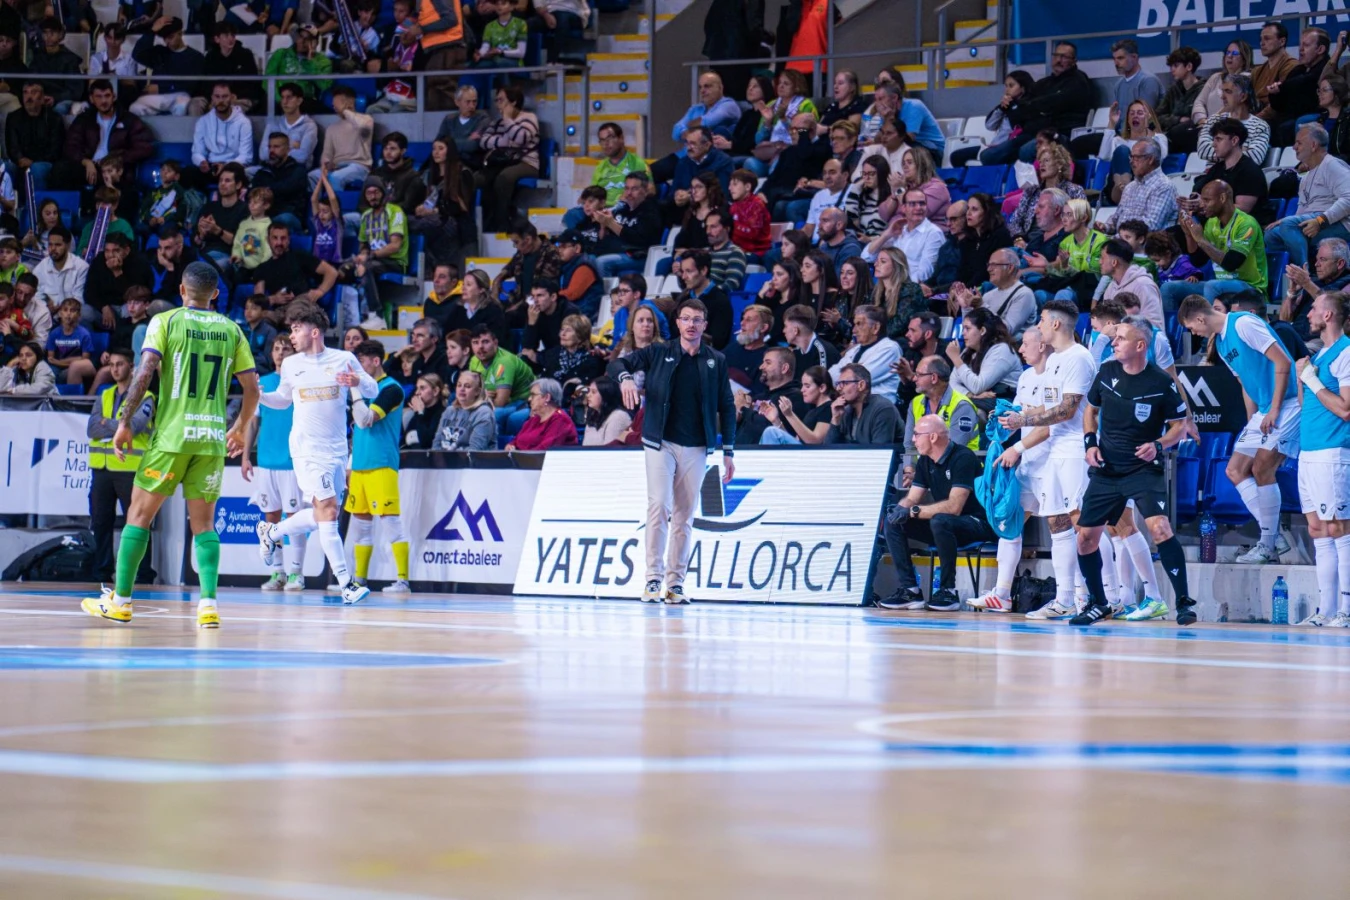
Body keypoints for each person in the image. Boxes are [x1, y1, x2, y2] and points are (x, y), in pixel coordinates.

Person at [81, 262, 260, 629]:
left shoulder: (165, 322)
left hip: (172, 437)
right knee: (205, 526)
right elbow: (252, 389)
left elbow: (144, 372)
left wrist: (125, 422)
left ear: (181, 290)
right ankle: (208, 605)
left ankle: (121, 601)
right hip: (210, 440)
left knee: (138, 516)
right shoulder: (232, 329)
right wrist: (240, 428)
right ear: (215, 294)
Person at [607, 297, 736, 604]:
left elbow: (727, 405)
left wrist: (729, 451)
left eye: (697, 320)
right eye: (686, 318)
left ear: (704, 325)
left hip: (697, 445)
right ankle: (653, 578)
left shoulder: (716, 360)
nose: (691, 324)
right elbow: (616, 364)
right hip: (660, 441)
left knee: (684, 516)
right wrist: (625, 379)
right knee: (659, 506)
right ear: (677, 323)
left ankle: (675, 583)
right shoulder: (658, 351)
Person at [1070, 315, 1195, 626]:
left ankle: (1182, 602)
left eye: (1121, 338)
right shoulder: (1107, 371)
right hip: (1107, 469)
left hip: (1143, 469)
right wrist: (1090, 443)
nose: (1114, 342)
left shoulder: (1161, 382)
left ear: (1140, 346)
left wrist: (1159, 445)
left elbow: (1179, 425)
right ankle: (1099, 604)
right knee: (1085, 538)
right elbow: (1091, 411)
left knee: (1160, 528)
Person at [255, 300, 379, 606]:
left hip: (337, 450)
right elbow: (282, 399)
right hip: (307, 450)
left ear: (314, 331)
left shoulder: (344, 359)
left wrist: (358, 381)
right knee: (328, 511)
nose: (291, 336)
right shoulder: (291, 365)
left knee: (322, 514)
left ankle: (272, 532)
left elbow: (373, 389)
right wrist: (260, 396)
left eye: (296, 329)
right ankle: (347, 583)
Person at [1180, 294, 1300, 564]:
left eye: (1191, 327)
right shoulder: (1221, 344)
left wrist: (1275, 410)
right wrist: (1252, 421)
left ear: (1200, 318)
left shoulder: (1244, 324)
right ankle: (1274, 535)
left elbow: (1283, 362)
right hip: (1264, 409)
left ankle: (1267, 544)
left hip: (1289, 402)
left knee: (1262, 468)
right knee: (1234, 470)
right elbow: (1246, 384)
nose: (1193, 333)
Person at [967, 326, 1051, 612]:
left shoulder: (1057, 375)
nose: (1021, 350)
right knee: (1009, 524)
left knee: (1075, 530)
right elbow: (1016, 418)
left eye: (1025, 344)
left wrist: (1017, 448)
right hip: (1028, 463)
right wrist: (1000, 417)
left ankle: (1083, 595)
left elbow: (1049, 424)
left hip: (1054, 464)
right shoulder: (1025, 377)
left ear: (1042, 345)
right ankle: (1001, 593)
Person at [878, 414, 997, 611]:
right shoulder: (925, 461)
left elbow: (954, 507)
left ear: (932, 437)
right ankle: (910, 590)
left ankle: (948, 591)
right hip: (945, 527)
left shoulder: (963, 457)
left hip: (977, 523)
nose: (913, 439)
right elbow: (912, 498)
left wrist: (912, 511)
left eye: (917, 434)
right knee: (893, 522)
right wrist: (900, 508)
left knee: (940, 520)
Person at [1293, 290, 1350, 625]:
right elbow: (1309, 405)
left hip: (1333, 452)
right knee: (1318, 530)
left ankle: (1346, 609)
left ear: (1328, 315)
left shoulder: (1346, 352)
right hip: (1309, 452)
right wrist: (1303, 379)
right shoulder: (1321, 354)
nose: (1309, 313)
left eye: (1314, 308)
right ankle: (1325, 610)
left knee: (1339, 528)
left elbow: (1345, 409)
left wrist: (1312, 380)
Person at [240, 335, 309, 592]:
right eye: (277, 348)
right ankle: (278, 572)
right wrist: (246, 456)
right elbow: (253, 422)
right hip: (267, 460)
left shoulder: (301, 382)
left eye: (286, 348)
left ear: (294, 352)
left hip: (292, 461)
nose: (280, 353)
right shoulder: (264, 384)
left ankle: (297, 573)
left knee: (294, 518)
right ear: (271, 353)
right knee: (271, 518)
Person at [344, 340, 412, 594]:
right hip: (360, 465)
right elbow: (356, 432)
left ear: (375, 361)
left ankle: (403, 580)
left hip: (382, 464)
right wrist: (350, 464)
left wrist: (354, 389)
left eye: (361, 363)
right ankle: (360, 580)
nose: (358, 369)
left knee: (391, 523)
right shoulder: (363, 389)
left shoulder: (391, 389)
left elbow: (365, 420)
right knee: (361, 526)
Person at [86, 346, 157, 584]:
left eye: (120, 364)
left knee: (137, 521)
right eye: (112, 365)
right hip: (102, 469)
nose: (115, 369)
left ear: (131, 367)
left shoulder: (146, 397)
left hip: (130, 469)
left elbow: (134, 427)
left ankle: (143, 574)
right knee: (100, 522)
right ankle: (102, 571)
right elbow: (91, 428)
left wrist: (106, 423)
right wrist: (118, 425)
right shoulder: (104, 394)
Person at [1168, 181, 1267, 311]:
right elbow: (1198, 261)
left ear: (1222, 198)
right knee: (1170, 288)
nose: (1202, 205)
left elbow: (1231, 264)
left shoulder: (1246, 224)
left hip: (1250, 287)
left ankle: (1210, 324)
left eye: (1207, 200)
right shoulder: (1212, 223)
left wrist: (1201, 240)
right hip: (1219, 285)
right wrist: (1189, 235)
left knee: (1212, 286)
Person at [1265, 123, 1350, 269]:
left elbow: (1348, 199)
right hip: (1313, 222)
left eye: (1299, 143)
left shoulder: (1333, 165)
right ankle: (1300, 267)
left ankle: (1303, 273)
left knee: (1289, 225)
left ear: (1313, 145)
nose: (1294, 147)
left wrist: (1320, 221)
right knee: (1271, 234)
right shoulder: (1306, 177)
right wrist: (1286, 220)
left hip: (1339, 223)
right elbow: (1303, 209)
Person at [994, 42, 1094, 165]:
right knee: (988, 156)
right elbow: (1024, 105)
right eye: (1056, 55)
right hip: (1034, 133)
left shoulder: (1078, 81)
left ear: (1074, 61)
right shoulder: (1044, 83)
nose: (1058, 60)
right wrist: (1011, 103)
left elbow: (1054, 103)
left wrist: (1031, 106)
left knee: (1025, 151)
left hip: (1060, 134)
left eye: (1064, 57)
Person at [56, 79, 153, 192]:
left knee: (114, 175)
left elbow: (144, 147)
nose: (104, 101)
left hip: (115, 168)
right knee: (60, 170)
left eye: (107, 96)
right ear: (91, 99)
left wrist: (116, 159)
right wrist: (85, 161)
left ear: (114, 97)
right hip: (90, 166)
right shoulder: (84, 119)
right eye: (99, 96)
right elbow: (70, 146)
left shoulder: (128, 119)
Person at [476, 84, 541, 232]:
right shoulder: (496, 122)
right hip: (502, 162)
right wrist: (505, 141)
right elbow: (484, 142)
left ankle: (502, 224)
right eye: (496, 100)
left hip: (526, 163)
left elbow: (521, 138)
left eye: (501, 100)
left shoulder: (529, 118)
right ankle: (485, 222)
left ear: (513, 102)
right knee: (478, 179)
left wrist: (507, 119)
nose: (497, 104)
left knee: (504, 178)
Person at [1191, 118, 1270, 219]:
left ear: (1234, 141)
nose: (1213, 144)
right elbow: (1202, 196)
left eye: (1219, 139)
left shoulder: (1250, 171)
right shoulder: (1216, 169)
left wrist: (1205, 205)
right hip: (1217, 224)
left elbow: (1242, 209)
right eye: (1213, 139)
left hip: (1243, 226)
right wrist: (1194, 204)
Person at [950, 247, 1037, 339]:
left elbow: (1006, 331)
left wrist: (981, 305)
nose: (989, 269)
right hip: (987, 345)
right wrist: (966, 307)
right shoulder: (988, 295)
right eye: (989, 265)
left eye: (994, 265)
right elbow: (970, 333)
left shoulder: (1024, 294)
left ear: (1010, 268)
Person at [1266, 26, 1331, 145]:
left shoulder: (1327, 70)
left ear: (1320, 49)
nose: (1300, 49)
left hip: (1314, 118)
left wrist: (1282, 87)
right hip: (1288, 119)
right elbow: (1279, 105)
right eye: (1300, 45)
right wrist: (1274, 93)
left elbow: (1305, 82)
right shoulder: (1298, 70)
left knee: (1286, 127)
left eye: (1306, 45)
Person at [128, 17, 204, 116]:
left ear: (180, 34)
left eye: (171, 37)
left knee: (182, 103)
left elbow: (190, 85)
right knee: (135, 107)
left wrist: (161, 88)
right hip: (157, 97)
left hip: (179, 96)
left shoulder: (195, 57)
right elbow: (137, 55)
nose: (167, 41)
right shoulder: (160, 52)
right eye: (165, 38)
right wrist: (151, 32)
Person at [947, 307, 1020, 409]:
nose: (963, 333)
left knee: (964, 408)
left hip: (1003, 403)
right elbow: (952, 383)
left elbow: (977, 386)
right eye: (963, 328)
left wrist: (956, 359)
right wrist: (971, 395)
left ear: (982, 330)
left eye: (967, 328)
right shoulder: (969, 350)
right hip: (980, 401)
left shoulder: (1001, 350)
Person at [593, 171, 662, 279]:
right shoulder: (621, 210)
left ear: (645, 191)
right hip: (616, 251)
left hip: (638, 256)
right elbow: (603, 239)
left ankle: (608, 290)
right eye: (626, 188)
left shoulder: (650, 211)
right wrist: (603, 224)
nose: (629, 193)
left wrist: (611, 223)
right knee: (588, 258)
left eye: (634, 189)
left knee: (602, 262)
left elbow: (639, 240)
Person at [1007, 142, 1084, 239]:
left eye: (1046, 161)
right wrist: (1018, 239)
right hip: (1028, 240)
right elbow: (1014, 221)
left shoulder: (1074, 191)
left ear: (1059, 165)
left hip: (1059, 240)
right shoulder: (1032, 191)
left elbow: (1079, 220)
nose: (1041, 165)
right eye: (1040, 162)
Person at [1100, 140, 1177, 236]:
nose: (1131, 161)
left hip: (1145, 243)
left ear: (1150, 159)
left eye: (1136, 157)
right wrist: (1105, 227)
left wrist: (1119, 237)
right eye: (1131, 157)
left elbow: (1151, 226)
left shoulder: (1164, 186)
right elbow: (1117, 220)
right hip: (1122, 240)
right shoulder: (1130, 187)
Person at [829, 304, 901, 404]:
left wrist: (841, 381)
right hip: (854, 406)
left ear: (875, 327)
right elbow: (831, 375)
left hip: (878, 408)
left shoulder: (890, 349)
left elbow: (859, 380)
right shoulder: (855, 349)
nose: (854, 330)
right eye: (855, 324)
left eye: (859, 324)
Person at [469, 323, 534, 432]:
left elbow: (500, 402)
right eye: (475, 342)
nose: (480, 347)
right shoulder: (474, 361)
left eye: (485, 342)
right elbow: (471, 393)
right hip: (501, 402)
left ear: (495, 343)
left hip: (523, 401)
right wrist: (483, 396)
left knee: (493, 414)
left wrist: (482, 397)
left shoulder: (504, 362)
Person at [1283, 238, 1350, 342]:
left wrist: (1307, 283)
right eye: (1317, 259)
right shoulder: (1315, 283)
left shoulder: (1347, 284)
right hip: (1296, 337)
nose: (1316, 264)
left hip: (1319, 342)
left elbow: (1334, 306)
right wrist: (1292, 293)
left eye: (1323, 259)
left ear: (1340, 263)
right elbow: (1284, 319)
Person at [734, 348, 806, 445]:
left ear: (784, 368)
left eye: (768, 363)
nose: (761, 367)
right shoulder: (757, 397)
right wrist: (738, 414)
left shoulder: (796, 398)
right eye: (763, 362)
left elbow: (768, 430)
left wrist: (744, 409)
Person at [309, 85, 374, 191]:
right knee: (313, 176)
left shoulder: (366, 120)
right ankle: (319, 202)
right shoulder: (332, 128)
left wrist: (345, 111)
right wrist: (326, 164)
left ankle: (335, 202)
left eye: (339, 103)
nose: (335, 106)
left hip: (359, 166)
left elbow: (361, 126)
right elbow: (327, 154)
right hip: (337, 166)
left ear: (351, 102)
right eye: (334, 104)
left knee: (336, 177)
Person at [1196, 73, 1271, 165]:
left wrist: (1220, 150)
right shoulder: (1214, 120)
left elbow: (1254, 158)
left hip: (1240, 173)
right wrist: (1240, 150)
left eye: (1228, 91)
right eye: (1222, 91)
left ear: (1243, 97)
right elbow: (1203, 150)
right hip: (1212, 172)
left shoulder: (1260, 126)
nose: (1222, 97)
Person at [190, 83, 253, 188]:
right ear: (212, 98)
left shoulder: (243, 122)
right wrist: (201, 162)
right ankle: (200, 198)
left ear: (232, 98)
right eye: (217, 96)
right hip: (211, 166)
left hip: (233, 167)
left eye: (225, 96)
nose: (221, 100)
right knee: (187, 173)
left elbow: (246, 156)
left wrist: (226, 166)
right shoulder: (203, 121)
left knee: (240, 174)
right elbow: (197, 152)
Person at [6, 82, 64, 195]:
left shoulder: (54, 118)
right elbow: (12, 146)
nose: (29, 97)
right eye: (25, 92)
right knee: (5, 167)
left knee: (37, 168)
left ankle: (38, 204)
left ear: (42, 98)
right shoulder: (13, 117)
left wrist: (33, 161)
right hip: (20, 161)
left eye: (33, 92)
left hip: (44, 161)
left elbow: (55, 150)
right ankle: (8, 204)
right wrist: (20, 159)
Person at [193, 22, 261, 115]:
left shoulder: (245, 55)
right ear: (217, 39)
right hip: (215, 97)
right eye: (226, 35)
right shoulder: (210, 57)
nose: (230, 39)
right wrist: (214, 97)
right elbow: (205, 83)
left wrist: (233, 96)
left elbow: (253, 83)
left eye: (232, 35)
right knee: (195, 104)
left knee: (232, 108)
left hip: (239, 97)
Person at [265, 24, 333, 109]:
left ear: (315, 43)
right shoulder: (281, 54)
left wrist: (310, 62)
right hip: (280, 98)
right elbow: (267, 81)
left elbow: (325, 85)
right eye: (300, 37)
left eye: (307, 39)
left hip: (305, 100)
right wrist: (280, 99)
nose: (302, 41)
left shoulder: (323, 61)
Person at [494, 219, 561, 305]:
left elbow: (542, 289)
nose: (516, 246)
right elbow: (509, 268)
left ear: (528, 240)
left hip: (538, 306)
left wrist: (518, 307)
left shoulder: (551, 254)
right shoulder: (521, 253)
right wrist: (497, 281)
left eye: (516, 242)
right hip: (520, 302)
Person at [1099, 238, 1163, 329]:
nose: (1100, 262)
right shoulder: (1110, 288)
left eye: (1102, 258)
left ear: (1114, 262)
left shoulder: (1144, 285)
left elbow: (1154, 325)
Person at [1156, 47, 1205, 154]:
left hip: (1194, 140)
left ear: (1189, 66)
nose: (1172, 70)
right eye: (1171, 66)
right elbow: (1157, 117)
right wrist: (1178, 120)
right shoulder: (1173, 90)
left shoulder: (1204, 89)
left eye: (1176, 65)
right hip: (1172, 139)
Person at [433, 369, 497, 450]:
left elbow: (475, 450)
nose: (462, 389)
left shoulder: (484, 413)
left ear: (477, 391)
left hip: (473, 458)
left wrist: (449, 456)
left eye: (467, 386)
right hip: (447, 457)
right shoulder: (449, 411)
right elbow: (436, 444)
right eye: (459, 385)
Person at [32, 227, 89, 315]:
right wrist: (45, 306)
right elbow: (37, 296)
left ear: (68, 246)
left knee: (87, 313)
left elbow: (79, 299)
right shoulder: (41, 268)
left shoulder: (81, 267)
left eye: (58, 245)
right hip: (47, 314)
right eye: (50, 244)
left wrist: (61, 309)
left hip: (72, 314)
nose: (53, 248)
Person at [1252, 21, 1298, 116]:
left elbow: (1281, 101)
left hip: (1277, 116)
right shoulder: (1257, 71)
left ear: (1282, 41)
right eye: (1261, 39)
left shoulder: (1291, 66)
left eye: (1267, 39)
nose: (1262, 43)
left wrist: (1255, 120)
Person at [728, 168, 771, 257]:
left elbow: (752, 235)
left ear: (747, 187)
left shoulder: (757, 205)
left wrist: (729, 229)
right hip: (737, 249)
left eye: (735, 184)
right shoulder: (734, 206)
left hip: (756, 252)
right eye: (730, 184)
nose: (729, 188)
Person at [704, 210, 747, 293]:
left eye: (713, 227)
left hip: (716, 297)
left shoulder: (735, 253)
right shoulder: (703, 253)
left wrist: (706, 292)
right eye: (707, 227)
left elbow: (731, 285)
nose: (708, 231)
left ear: (727, 229)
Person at [582, 376, 632, 446]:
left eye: (593, 392)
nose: (588, 395)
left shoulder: (619, 417)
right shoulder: (593, 415)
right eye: (589, 391)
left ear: (605, 394)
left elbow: (610, 450)